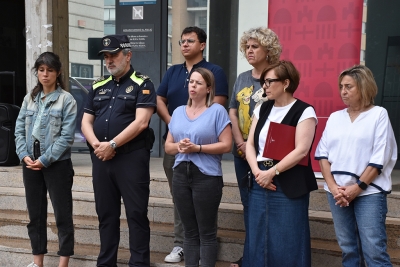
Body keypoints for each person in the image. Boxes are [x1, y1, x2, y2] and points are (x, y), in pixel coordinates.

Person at [81, 34, 156, 267]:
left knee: (136, 215)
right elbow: (85, 122)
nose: (109, 61)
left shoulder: (143, 84)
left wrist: (112, 144)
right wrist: (98, 146)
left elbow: (142, 122)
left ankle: (139, 264)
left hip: (131, 159)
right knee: (106, 216)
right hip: (101, 159)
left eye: (114, 55)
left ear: (128, 55)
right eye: (106, 57)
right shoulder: (97, 85)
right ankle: (106, 264)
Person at [157, 26, 229, 263]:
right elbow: (160, 103)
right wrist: (177, 131)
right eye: (181, 40)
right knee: (187, 223)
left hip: (206, 171)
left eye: (190, 40)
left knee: (205, 230)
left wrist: (196, 145)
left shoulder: (215, 83)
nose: (184, 44)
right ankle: (181, 248)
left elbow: (223, 140)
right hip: (181, 164)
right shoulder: (174, 80)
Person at [315, 65, 397, 266]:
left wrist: (357, 188)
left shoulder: (379, 114)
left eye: (349, 86)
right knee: (348, 249)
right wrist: (334, 188)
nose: (343, 91)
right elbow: (322, 156)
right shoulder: (335, 117)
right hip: (337, 191)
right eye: (341, 86)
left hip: (369, 192)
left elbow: (380, 158)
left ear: (363, 87)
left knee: (374, 251)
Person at [245, 60, 318, 266]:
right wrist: (258, 172)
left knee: (289, 239)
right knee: (258, 237)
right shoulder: (263, 108)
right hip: (260, 180)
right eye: (263, 82)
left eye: (269, 81)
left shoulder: (304, 111)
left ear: (286, 83)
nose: (264, 86)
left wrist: (272, 172)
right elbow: (250, 144)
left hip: (288, 183)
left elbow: (301, 150)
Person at [165, 67, 232, 267]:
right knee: (189, 232)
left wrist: (198, 148)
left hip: (206, 177)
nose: (192, 86)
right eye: (191, 82)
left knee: (207, 232)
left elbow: (227, 145)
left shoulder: (217, 111)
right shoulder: (178, 111)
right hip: (180, 175)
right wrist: (180, 146)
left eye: (198, 83)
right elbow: (168, 146)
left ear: (209, 88)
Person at [15, 52, 77, 267]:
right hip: (30, 164)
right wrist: (24, 155)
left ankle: (63, 263)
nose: (45, 74)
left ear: (58, 72)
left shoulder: (66, 100)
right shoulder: (29, 98)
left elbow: (66, 137)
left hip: (57, 165)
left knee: (62, 214)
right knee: (35, 215)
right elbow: (19, 130)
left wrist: (45, 159)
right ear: (37, 72)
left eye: (50, 70)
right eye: (41, 70)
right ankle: (37, 262)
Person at [228, 27, 281, 267]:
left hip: (268, 154)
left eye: (255, 46)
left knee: (267, 206)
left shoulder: (277, 76)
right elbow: (232, 110)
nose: (249, 50)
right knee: (248, 204)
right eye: (247, 47)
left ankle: (266, 254)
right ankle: (251, 254)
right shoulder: (242, 78)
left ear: (268, 50)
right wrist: (239, 141)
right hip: (242, 152)